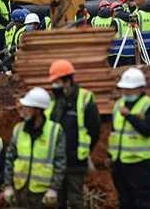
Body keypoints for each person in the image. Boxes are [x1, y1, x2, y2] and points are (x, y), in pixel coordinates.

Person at [46, 60, 101, 209]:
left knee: (75, 200)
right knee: (57, 201)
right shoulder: (52, 100)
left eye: (57, 82)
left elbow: (94, 129)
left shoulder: (85, 98)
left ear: (68, 80)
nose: (55, 86)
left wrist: (85, 151)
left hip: (76, 161)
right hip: (55, 161)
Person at [2, 87, 66, 209]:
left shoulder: (55, 131)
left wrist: (53, 189)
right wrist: (8, 186)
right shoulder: (18, 129)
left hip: (42, 194)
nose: (23, 111)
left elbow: (60, 163)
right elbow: (9, 159)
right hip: (20, 190)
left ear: (38, 110)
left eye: (27, 107)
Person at [108, 68, 150, 209]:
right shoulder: (118, 105)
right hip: (120, 163)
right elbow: (114, 133)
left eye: (130, 89)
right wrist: (110, 156)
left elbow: (147, 130)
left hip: (140, 163)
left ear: (140, 88)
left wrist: (129, 116)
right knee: (124, 202)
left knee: (141, 202)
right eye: (124, 89)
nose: (126, 92)